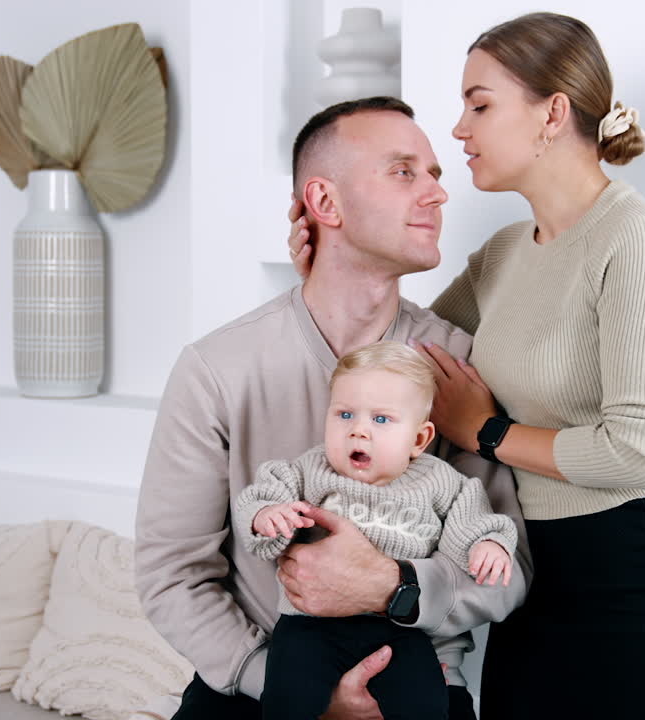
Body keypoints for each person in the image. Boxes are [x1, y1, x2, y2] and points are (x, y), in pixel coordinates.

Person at [287, 13, 645, 719]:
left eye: (479, 104)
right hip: (527, 587)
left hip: (631, 594)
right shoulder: (505, 253)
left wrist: (487, 433)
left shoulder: (636, 240)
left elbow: (643, 452)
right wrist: (332, 260)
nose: (459, 129)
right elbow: (406, 353)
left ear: (553, 113)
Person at [135, 96, 529, 720]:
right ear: (324, 204)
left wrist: (394, 588)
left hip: (418, 689)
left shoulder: (455, 367)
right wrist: (292, 689)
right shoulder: (217, 368)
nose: (436, 194)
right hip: (259, 684)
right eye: (403, 172)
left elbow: (508, 571)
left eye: (434, 175)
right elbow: (171, 576)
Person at [235, 341, 517, 720]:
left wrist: (489, 544)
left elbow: (475, 522)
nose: (359, 431)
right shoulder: (309, 470)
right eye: (345, 414)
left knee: (427, 701)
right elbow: (261, 496)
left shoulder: (440, 482)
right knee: (288, 696)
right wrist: (267, 515)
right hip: (310, 626)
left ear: (418, 439)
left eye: (380, 419)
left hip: (399, 628)